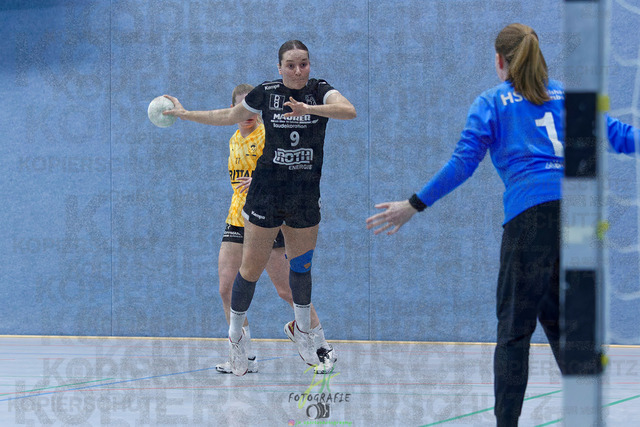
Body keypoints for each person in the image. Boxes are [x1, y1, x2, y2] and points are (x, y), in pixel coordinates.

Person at [366, 24, 564, 426]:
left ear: (499, 61)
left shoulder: (492, 102)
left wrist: (414, 204)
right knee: (564, 326)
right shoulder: (567, 97)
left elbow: (463, 163)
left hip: (531, 222)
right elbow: (616, 133)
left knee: (514, 333)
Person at [164, 40, 356, 376]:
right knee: (243, 276)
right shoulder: (265, 96)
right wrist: (185, 114)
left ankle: (308, 335)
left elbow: (348, 110)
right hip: (263, 199)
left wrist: (309, 110)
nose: (298, 70)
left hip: (303, 195)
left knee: (298, 273)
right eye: (290, 65)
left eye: (303, 63)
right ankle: (238, 344)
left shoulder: (319, 91)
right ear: (279, 67)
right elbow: (228, 116)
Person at [215, 83, 335, 374]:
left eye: (252, 109)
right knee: (226, 287)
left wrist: (261, 180)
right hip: (237, 217)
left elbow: (285, 167)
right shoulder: (234, 139)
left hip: (269, 218)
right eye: (241, 108)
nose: (248, 114)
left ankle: (321, 347)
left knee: (287, 290)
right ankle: (243, 355)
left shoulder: (268, 134)